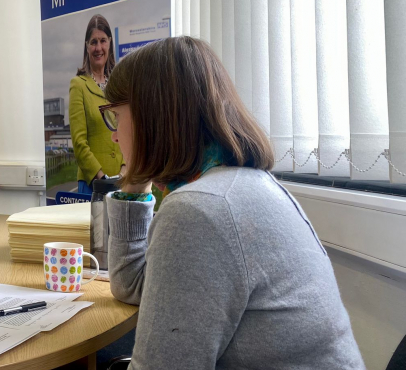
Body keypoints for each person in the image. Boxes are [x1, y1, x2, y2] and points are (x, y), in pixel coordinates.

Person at [100, 37, 364, 368]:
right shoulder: (242, 186)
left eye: (115, 116)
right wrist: (136, 183)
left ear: (150, 118)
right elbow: (134, 286)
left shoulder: (198, 210)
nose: (113, 134)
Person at [69, 14, 123, 194]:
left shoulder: (119, 83)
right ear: (86, 46)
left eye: (102, 41)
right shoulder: (78, 85)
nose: (98, 48)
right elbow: (79, 143)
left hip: (121, 182)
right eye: (93, 42)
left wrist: (123, 172)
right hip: (93, 185)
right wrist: (102, 179)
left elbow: (127, 131)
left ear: (109, 42)